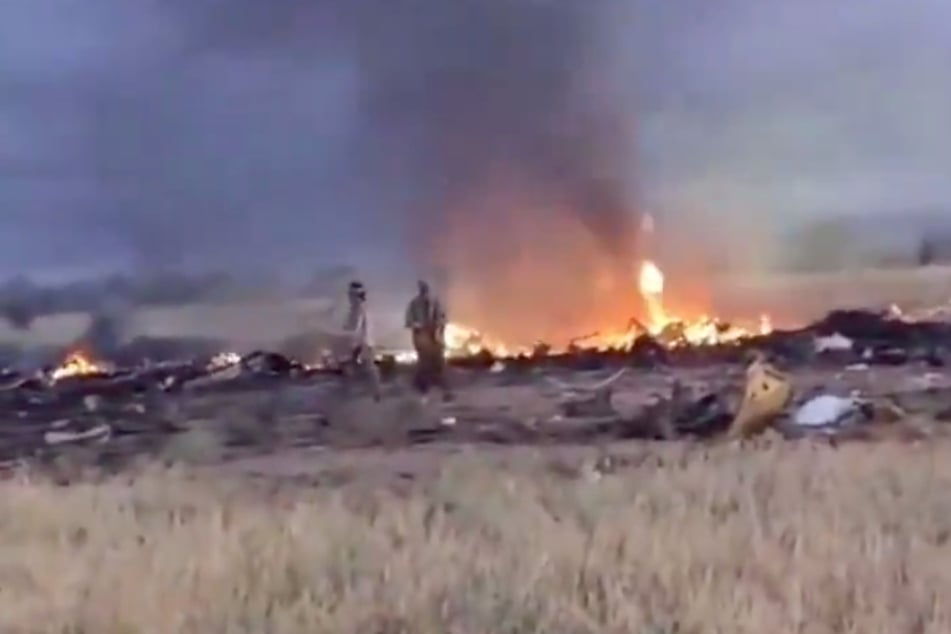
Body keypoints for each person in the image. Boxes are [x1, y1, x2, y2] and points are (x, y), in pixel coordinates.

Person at [404, 280, 452, 400]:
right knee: (424, 363)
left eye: (426, 289)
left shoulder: (435, 303)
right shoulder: (414, 304)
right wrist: (418, 325)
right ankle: (422, 389)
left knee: (439, 363)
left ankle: (445, 391)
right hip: (422, 337)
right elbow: (408, 321)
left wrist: (438, 327)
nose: (425, 291)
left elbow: (443, 318)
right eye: (423, 289)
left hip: (435, 336)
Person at [338, 280, 381, 401]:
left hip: (361, 345)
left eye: (350, 295)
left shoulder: (357, 309)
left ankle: (365, 398)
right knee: (368, 371)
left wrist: (341, 329)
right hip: (366, 344)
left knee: (356, 371)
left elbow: (354, 327)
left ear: (354, 295)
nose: (349, 297)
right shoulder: (365, 308)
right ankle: (374, 395)